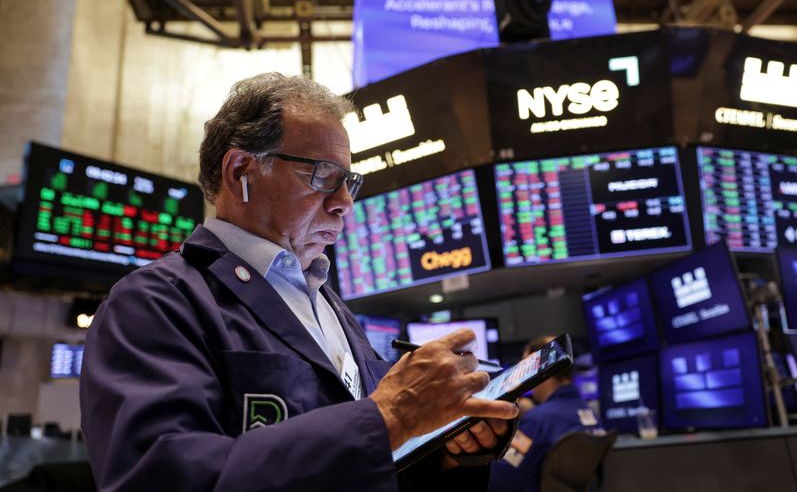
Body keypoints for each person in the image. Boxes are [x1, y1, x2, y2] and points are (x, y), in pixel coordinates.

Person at [79, 72, 519, 492]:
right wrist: (389, 416)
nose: (344, 202)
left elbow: (372, 465)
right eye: (323, 175)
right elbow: (160, 478)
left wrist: (447, 446)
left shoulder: (330, 305)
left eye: (348, 182)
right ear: (241, 171)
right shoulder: (155, 301)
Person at [488, 336, 603, 492]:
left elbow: (497, 482)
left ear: (539, 368)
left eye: (525, 368)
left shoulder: (538, 421)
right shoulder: (591, 414)